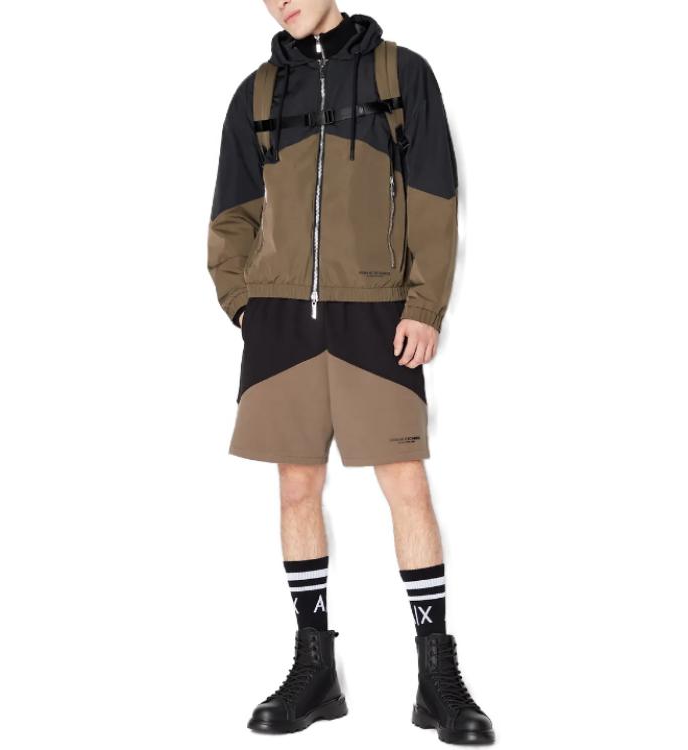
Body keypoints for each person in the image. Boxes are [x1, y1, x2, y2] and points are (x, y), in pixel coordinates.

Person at [207, 2, 495, 744]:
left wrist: (424, 306)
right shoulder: (257, 92)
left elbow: (435, 198)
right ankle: (315, 669)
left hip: (375, 313)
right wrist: (243, 303)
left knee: (405, 484)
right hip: (280, 321)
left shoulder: (402, 74)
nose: (280, 1)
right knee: (296, 487)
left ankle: (436, 675)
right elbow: (230, 212)